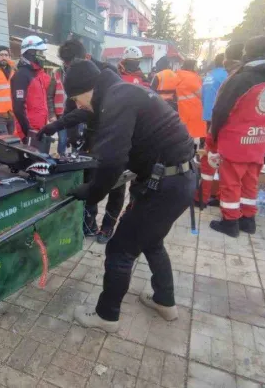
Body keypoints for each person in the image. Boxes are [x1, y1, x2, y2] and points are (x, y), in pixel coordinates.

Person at [63, 60, 195, 332]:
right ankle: (164, 301)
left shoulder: (117, 98)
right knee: (152, 240)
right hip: (181, 178)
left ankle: (106, 316)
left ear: (88, 89)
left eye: (76, 99)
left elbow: (112, 159)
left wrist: (92, 193)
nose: (78, 105)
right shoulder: (123, 91)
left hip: (165, 185)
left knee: (120, 248)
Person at [41, 38, 125, 244]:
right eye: (66, 64)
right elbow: (73, 107)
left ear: (85, 57)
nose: (68, 68)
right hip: (92, 133)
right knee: (90, 175)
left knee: (117, 180)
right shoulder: (74, 77)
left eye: (71, 63)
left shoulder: (107, 74)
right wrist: (64, 130)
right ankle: (89, 223)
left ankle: (108, 226)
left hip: (116, 132)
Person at [207, 36, 265, 238]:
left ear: (246, 53)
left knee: (231, 183)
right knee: (251, 181)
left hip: (236, 140)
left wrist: (214, 137)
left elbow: (220, 111)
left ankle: (230, 222)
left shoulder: (240, 79)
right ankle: (248, 220)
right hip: (260, 139)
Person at [196, 53, 228, 208]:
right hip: (223, 122)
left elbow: (201, 96)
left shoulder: (210, 76)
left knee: (209, 158)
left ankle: (202, 196)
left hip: (209, 119)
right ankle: (218, 195)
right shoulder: (227, 76)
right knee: (224, 159)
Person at [10, 36, 51, 139]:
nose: (42, 56)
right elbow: (18, 108)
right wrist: (28, 131)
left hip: (39, 129)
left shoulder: (36, 74)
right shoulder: (22, 75)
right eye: (40, 52)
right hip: (29, 132)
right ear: (30, 52)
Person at [176, 59, 206, 140]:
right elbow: (202, 95)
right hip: (194, 111)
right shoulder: (191, 78)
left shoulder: (179, 76)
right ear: (191, 66)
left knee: (185, 135)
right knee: (195, 137)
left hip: (183, 110)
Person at [48, 60, 68, 156]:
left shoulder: (79, 73)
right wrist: (52, 114)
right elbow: (50, 96)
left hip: (76, 114)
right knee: (62, 140)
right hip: (61, 115)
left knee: (76, 140)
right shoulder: (56, 75)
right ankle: (61, 159)